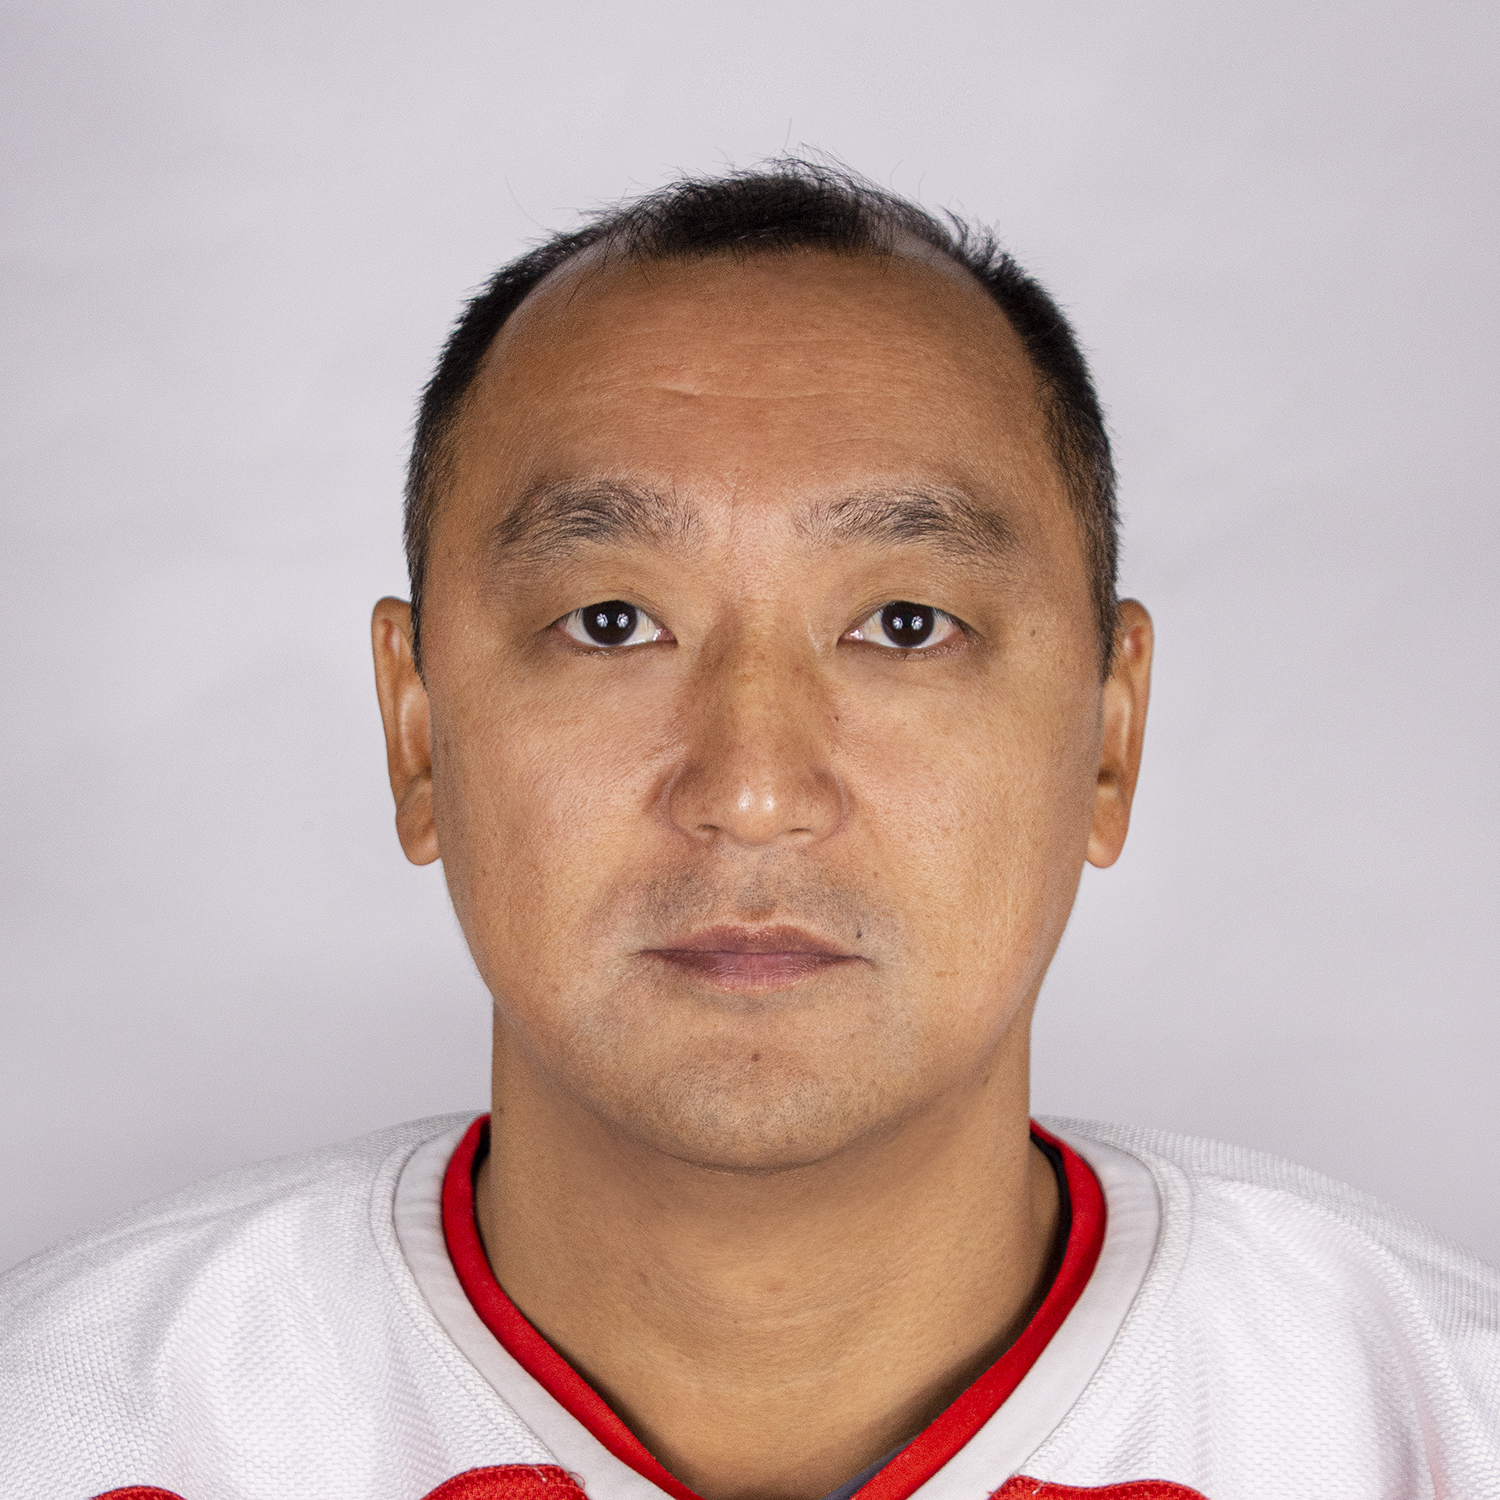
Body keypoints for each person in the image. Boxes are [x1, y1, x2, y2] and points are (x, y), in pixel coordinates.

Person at [2, 161, 1496, 1500]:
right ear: (419, 735)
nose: (754, 789)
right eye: (612, 621)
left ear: (1109, 741)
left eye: (903, 624)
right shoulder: (67, 1430)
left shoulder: (1433, 1420)